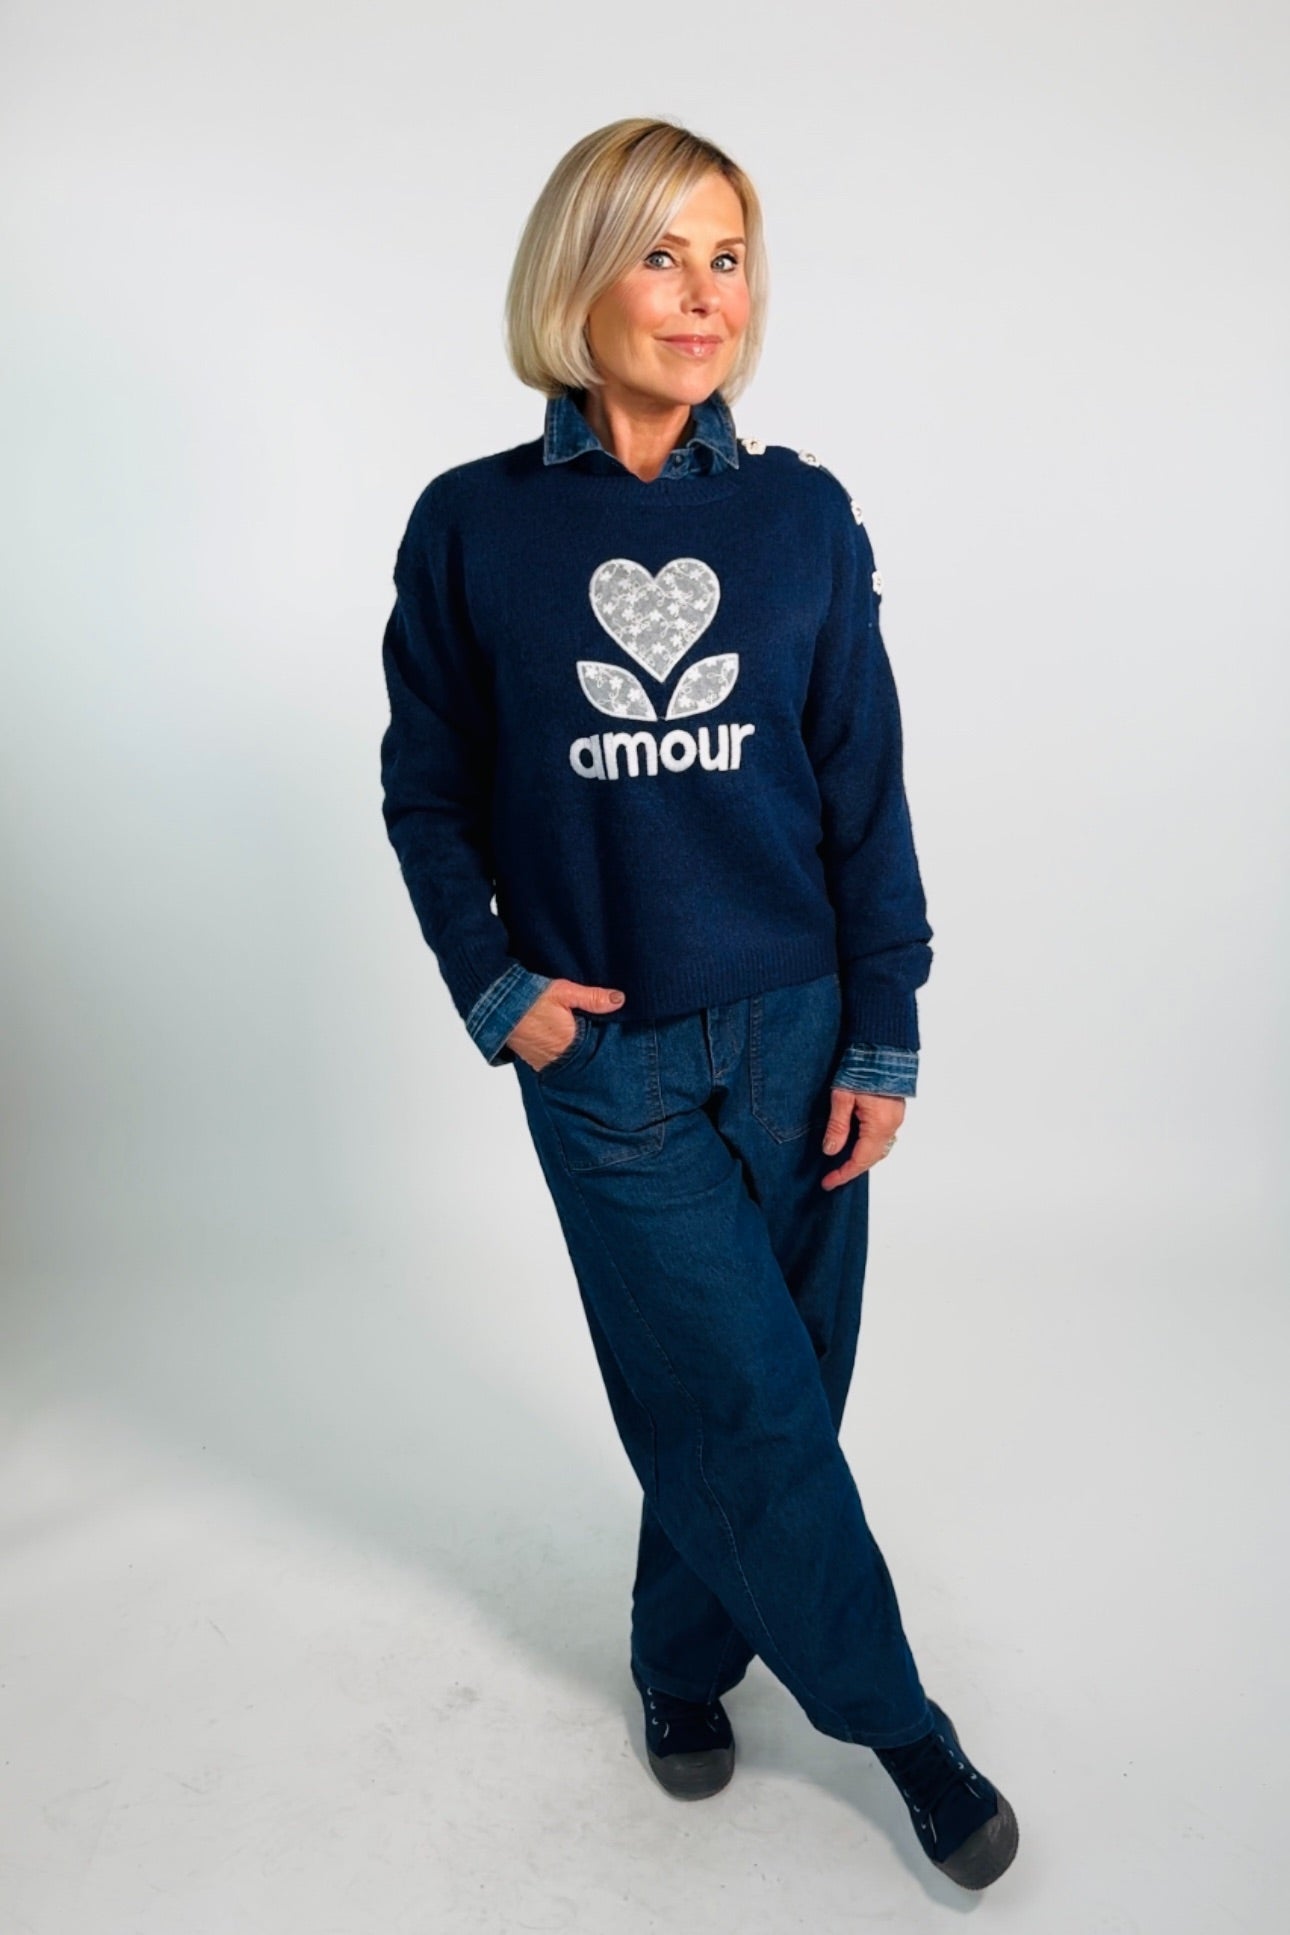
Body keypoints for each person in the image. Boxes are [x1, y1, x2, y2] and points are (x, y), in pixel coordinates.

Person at [378, 116, 1019, 1893]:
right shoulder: (473, 528)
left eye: (725, 258)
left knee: (767, 1396)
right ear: (577, 275)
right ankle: (904, 1733)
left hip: (802, 1038)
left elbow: (861, 790)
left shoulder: (801, 514)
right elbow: (426, 793)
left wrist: (883, 1024)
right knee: (744, 1409)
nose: (699, 295)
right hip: (611, 1065)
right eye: (659, 254)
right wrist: (496, 986)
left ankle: (677, 1657)